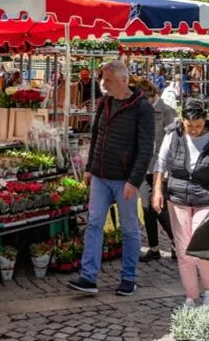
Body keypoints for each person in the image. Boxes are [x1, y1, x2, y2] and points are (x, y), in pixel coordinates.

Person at [69, 60, 155, 297]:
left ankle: (128, 278)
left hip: (124, 179)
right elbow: (96, 134)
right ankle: (88, 277)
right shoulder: (105, 102)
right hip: (100, 175)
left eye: (108, 80)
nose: (103, 84)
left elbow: (146, 148)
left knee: (129, 228)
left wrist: (134, 181)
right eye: (103, 79)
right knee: (94, 223)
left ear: (124, 80)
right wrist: (89, 167)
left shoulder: (142, 107)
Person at [152, 99, 209, 308]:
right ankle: (190, 297)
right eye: (189, 126)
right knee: (183, 250)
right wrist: (157, 191)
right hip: (178, 197)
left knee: (202, 246)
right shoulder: (173, 134)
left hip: (206, 197)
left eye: (198, 126)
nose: (194, 130)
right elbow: (160, 164)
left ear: (205, 120)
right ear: (182, 121)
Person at [141, 84, 180, 263]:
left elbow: (174, 142)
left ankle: (175, 242)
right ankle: (154, 247)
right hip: (143, 165)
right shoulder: (141, 110)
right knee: (146, 207)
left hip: (160, 167)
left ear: (152, 95)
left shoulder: (167, 111)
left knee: (159, 207)